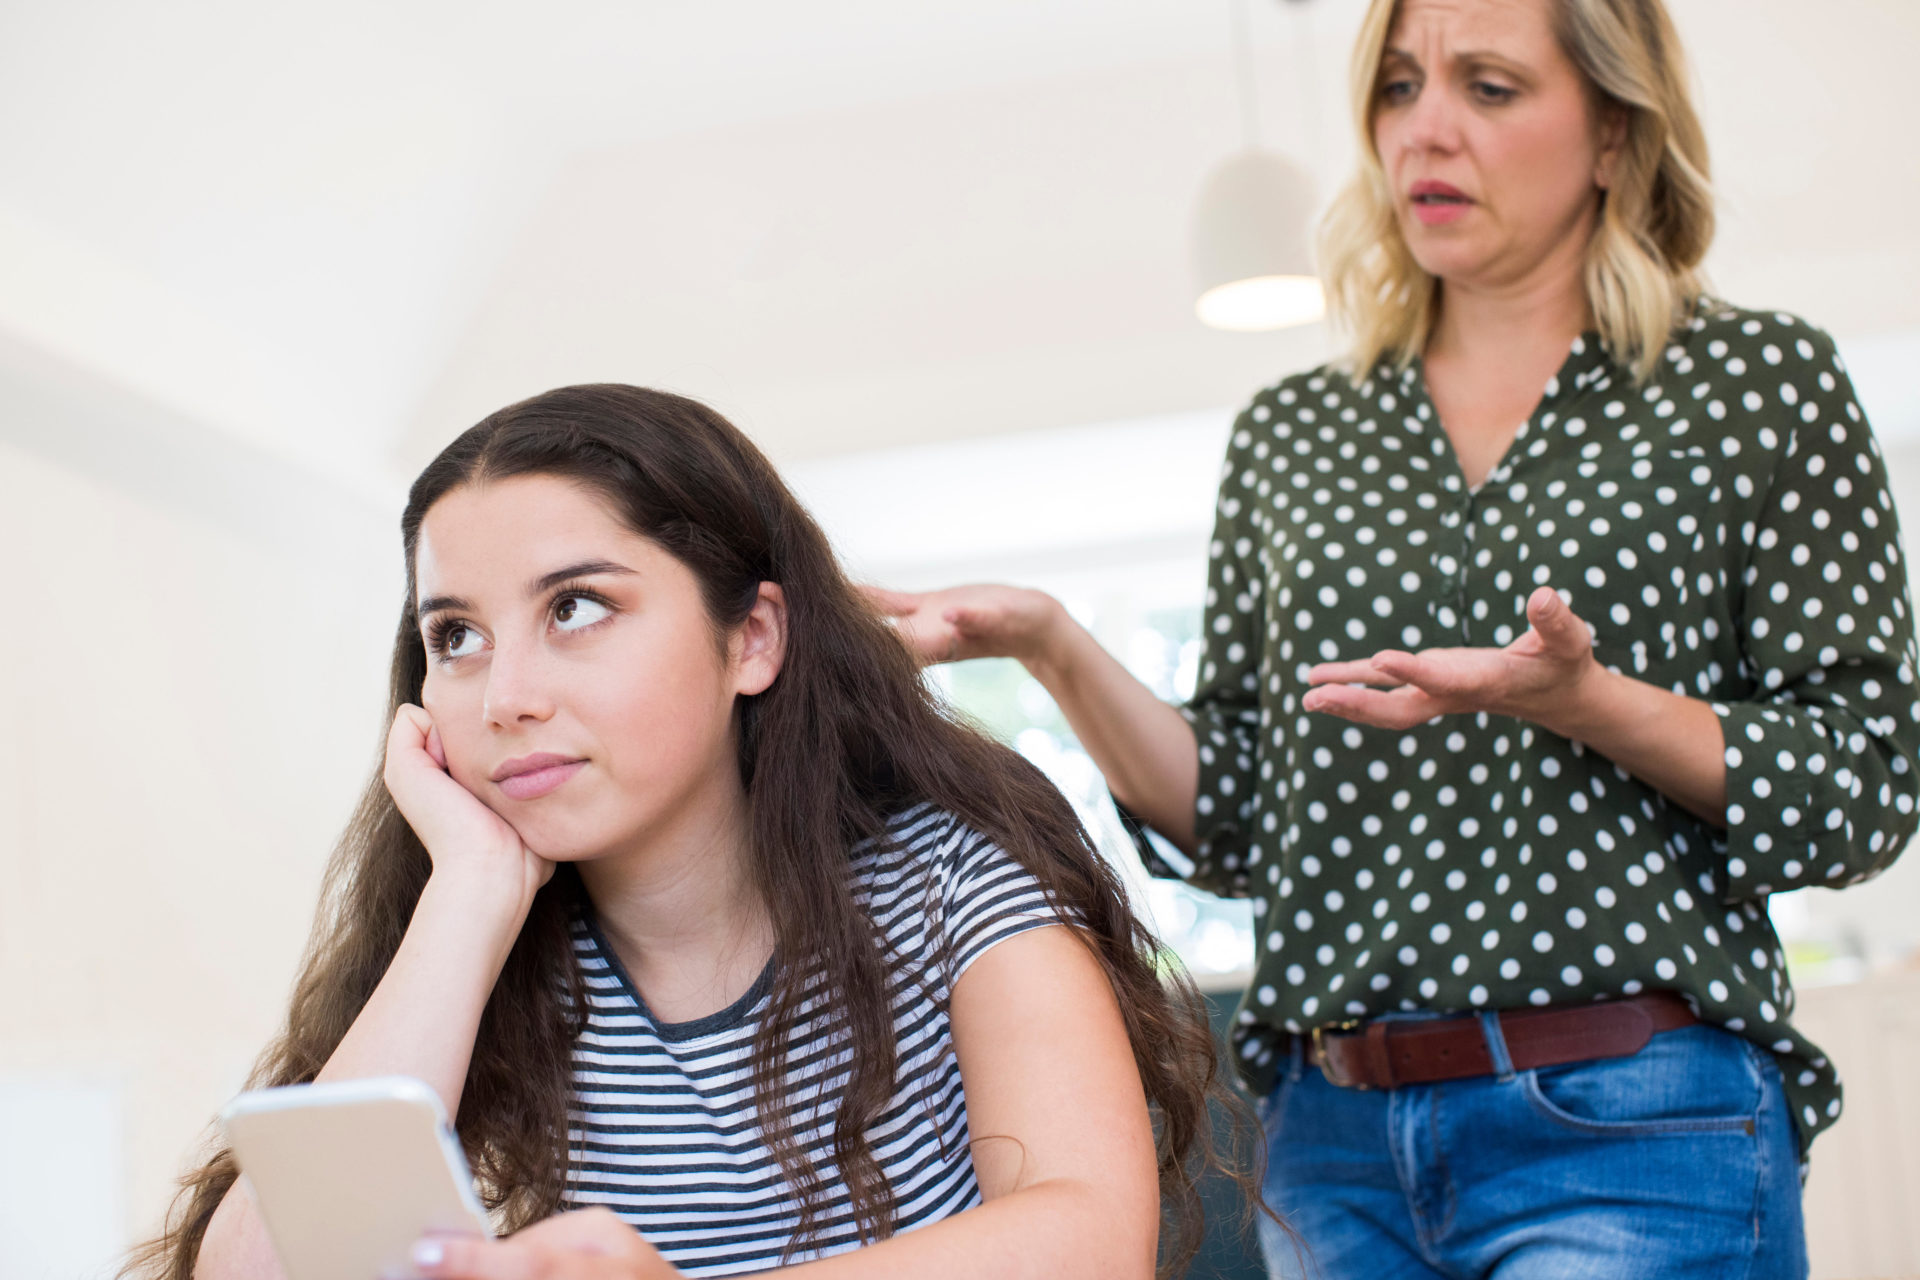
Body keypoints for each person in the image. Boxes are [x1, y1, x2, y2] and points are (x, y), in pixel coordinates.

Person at [870, 0, 1920, 1275]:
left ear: (1612, 131)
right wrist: (1053, 644)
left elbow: (1860, 784)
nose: (1424, 130)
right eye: (1397, 87)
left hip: (1634, 1118)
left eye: (1486, 87)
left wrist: (1587, 699)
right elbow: (1246, 810)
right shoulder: (1293, 432)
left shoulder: (1758, 384)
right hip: (1331, 1149)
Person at [125, 386, 1260, 1280]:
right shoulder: (498, 941)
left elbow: (1088, 1242)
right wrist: (470, 887)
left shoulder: (955, 882)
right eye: (456, 634)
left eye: (575, 606)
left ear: (753, 637)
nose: (503, 691)